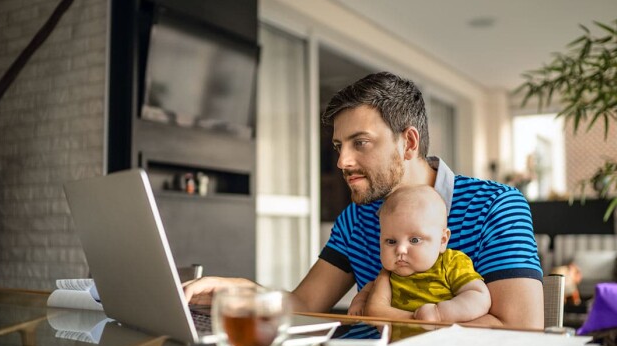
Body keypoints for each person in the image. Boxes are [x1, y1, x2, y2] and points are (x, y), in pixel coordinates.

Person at [184, 71, 544, 329]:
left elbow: (522, 331)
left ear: (409, 143)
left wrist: (397, 319)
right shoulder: (356, 220)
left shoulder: (496, 205)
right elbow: (305, 305)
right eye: (340, 146)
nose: (342, 162)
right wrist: (244, 291)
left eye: (361, 142)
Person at [348, 184, 491, 323]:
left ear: (442, 240)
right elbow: (369, 290)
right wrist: (360, 301)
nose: (400, 250)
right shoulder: (390, 274)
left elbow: (479, 296)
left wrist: (440, 313)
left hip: (442, 342)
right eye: (391, 241)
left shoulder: (451, 263)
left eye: (415, 240)